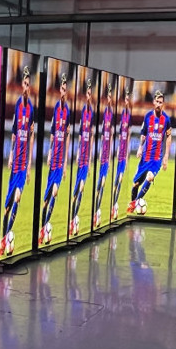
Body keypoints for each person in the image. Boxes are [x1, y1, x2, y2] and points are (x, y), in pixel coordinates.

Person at [0, 66, 35, 256]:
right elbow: (14, 134)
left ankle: (6, 237)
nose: (26, 87)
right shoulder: (17, 106)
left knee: (18, 197)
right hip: (15, 163)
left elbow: (31, 136)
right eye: (24, 84)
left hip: (23, 165)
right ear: (21, 85)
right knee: (7, 205)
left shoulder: (31, 109)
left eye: (28, 85)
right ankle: (4, 238)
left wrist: (29, 164)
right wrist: (11, 155)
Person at [38, 72, 71, 245]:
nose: (64, 92)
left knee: (56, 191)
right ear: (60, 90)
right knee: (47, 197)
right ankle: (42, 228)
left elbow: (67, 138)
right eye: (62, 89)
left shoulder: (68, 111)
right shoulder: (56, 110)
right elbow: (52, 135)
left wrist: (65, 163)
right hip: (53, 159)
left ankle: (45, 227)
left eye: (66, 90)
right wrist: (50, 153)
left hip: (60, 162)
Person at [127, 89, 172, 213]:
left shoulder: (166, 119)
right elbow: (143, 134)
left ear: (163, 104)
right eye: (157, 101)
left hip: (157, 158)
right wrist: (140, 148)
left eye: (161, 102)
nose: (158, 104)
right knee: (136, 184)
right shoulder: (148, 116)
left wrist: (166, 156)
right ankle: (133, 204)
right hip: (145, 157)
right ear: (153, 102)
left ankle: (135, 204)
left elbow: (168, 137)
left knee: (150, 177)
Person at [69, 78, 95, 236]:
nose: (89, 96)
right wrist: (78, 152)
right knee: (76, 188)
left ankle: (74, 217)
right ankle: (71, 218)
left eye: (91, 94)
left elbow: (91, 137)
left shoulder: (92, 114)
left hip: (86, 158)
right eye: (88, 93)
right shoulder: (82, 112)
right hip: (80, 156)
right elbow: (79, 135)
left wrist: (90, 159)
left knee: (82, 187)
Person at [93, 81, 114, 227]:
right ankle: (95, 211)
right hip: (100, 154)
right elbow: (99, 136)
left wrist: (110, 155)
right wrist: (100, 152)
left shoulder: (111, 115)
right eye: (108, 96)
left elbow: (110, 136)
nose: (110, 99)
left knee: (103, 182)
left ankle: (97, 210)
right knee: (98, 183)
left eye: (111, 96)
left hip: (107, 155)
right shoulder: (101, 114)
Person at [111, 87, 131, 219]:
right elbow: (117, 135)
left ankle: (115, 204)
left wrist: (127, 155)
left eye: (129, 99)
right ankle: (113, 204)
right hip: (118, 152)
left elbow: (128, 136)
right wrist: (117, 150)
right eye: (126, 99)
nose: (127, 101)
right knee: (116, 179)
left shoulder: (129, 116)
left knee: (121, 178)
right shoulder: (120, 115)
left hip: (124, 154)